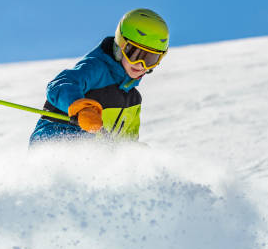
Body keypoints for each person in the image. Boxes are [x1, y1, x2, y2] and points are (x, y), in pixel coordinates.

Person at [29, 8, 169, 146]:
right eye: (134, 54)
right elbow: (60, 85)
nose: (140, 64)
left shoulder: (133, 101)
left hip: (89, 156)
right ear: (120, 45)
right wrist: (82, 109)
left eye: (150, 59)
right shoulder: (96, 68)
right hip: (54, 139)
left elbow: (125, 145)